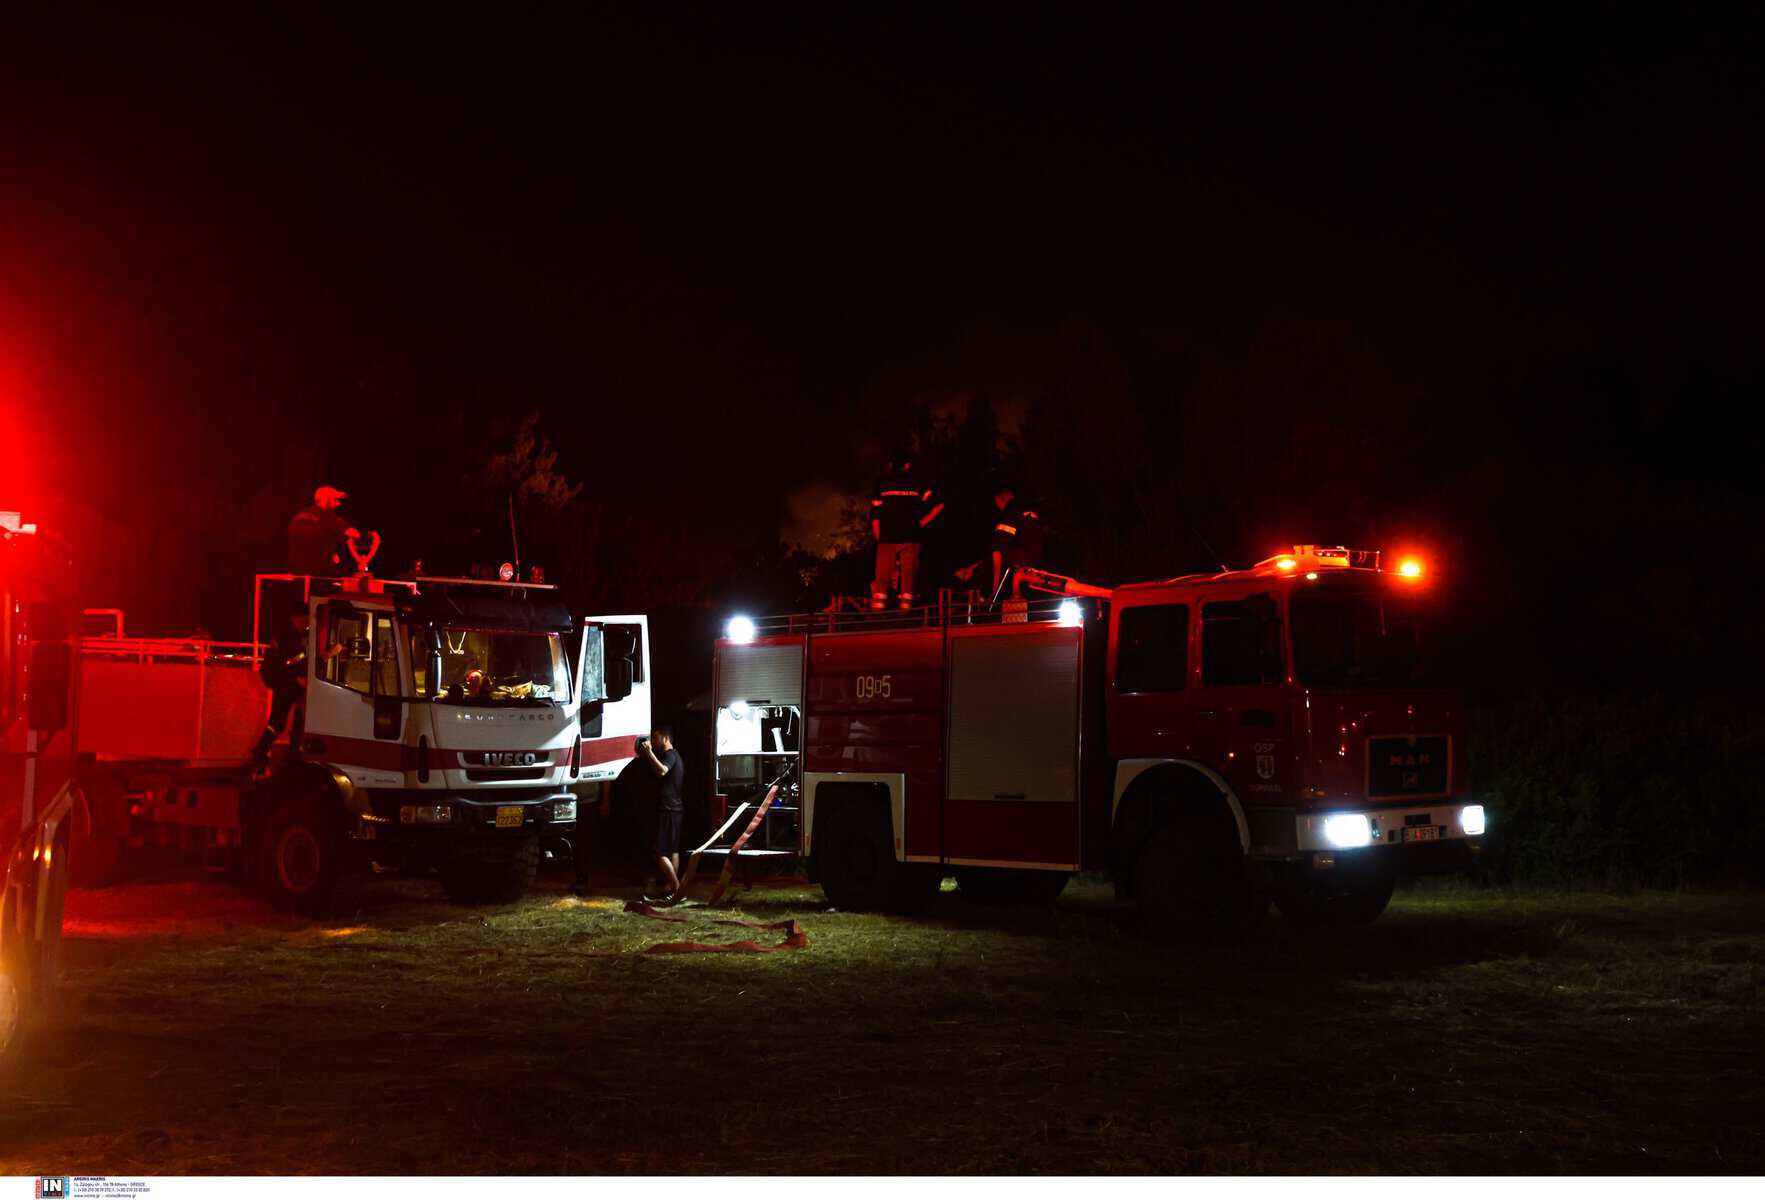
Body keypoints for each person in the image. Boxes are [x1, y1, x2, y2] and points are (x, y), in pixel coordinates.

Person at [868, 456, 944, 610]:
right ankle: (906, 611)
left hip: (887, 537)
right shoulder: (918, 482)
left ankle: (877, 611)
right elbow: (939, 505)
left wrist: (879, 537)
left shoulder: (881, 483)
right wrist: (922, 522)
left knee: (882, 578)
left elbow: (875, 515)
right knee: (908, 577)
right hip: (911, 536)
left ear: (890, 465)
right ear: (907, 465)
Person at [957, 485, 1045, 599]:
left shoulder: (1010, 516)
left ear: (1001, 498)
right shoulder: (1023, 513)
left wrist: (993, 591)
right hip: (1031, 556)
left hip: (1024, 558)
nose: (997, 506)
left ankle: (994, 594)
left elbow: (997, 552)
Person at [251, 608, 311, 774]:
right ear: (295, 618)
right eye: (304, 620)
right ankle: (266, 753)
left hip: (285, 681)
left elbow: (296, 658)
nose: (306, 624)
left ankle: (269, 752)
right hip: (284, 682)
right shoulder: (288, 637)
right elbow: (289, 661)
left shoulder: (293, 635)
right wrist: (298, 676)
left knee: (285, 718)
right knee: (281, 720)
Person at [638, 725, 686, 901]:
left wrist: (649, 752)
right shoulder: (676, 756)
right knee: (673, 851)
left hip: (668, 809)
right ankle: (669, 889)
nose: (653, 741)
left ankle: (677, 889)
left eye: (656, 738)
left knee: (659, 852)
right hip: (675, 809)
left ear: (666, 739)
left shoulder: (670, 755)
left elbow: (662, 770)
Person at [287, 485, 361, 577]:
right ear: (326, 499)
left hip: (296, 573)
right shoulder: (327, 516)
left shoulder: (299, 515)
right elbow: (355, 534)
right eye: (335, 500)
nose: (338, 504)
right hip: (319, 575)